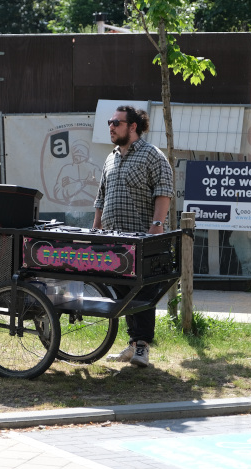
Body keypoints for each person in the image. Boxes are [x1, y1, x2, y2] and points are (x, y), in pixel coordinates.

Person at [92, 105, 174, 367]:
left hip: (141, 239)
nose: (111, 127)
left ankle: (142, 347)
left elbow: (163, 192)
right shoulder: (111, 157)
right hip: (113, 241)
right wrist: (96, 228)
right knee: (122, 293)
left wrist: (157, 226)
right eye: (110, 122)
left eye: (116, 122)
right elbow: (101, 198)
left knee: (141, 292)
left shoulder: (153, 155)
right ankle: (132, 344)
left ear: (133, 126)